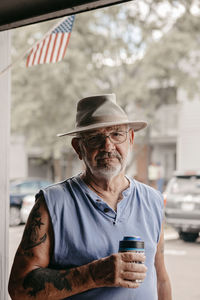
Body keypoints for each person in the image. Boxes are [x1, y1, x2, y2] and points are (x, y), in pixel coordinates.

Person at [8, 94, 172, 300]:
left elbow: (161, 279)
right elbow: (19, 289)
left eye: (116, 134)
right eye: (95, 137)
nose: (108, 146)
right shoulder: (53, 203)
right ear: (78, 148)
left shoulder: (153, 200)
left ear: (130, 139)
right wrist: (93, 274)